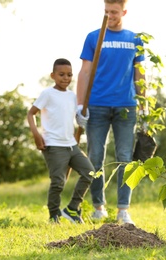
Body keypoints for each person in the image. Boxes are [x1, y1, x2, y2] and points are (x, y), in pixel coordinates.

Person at [76, 0, 145, 224]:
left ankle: (123, 209)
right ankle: (99, 207)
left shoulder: (135, 39)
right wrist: (79, 106)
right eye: (106, 11)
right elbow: (84, 73)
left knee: (125, 158)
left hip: (126, 106)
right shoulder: (93, 37)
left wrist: (144, 106)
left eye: (114, 12)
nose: (109, 16)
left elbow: (140, 75)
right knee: (95, 157)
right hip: (96, 105)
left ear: (124, 11)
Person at [27, 58, 95, 224]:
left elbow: (76, 121)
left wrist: (81, 128)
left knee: (90, 173)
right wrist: (37, 135)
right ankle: (54, 216)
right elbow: (31, 114)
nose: (66, 78)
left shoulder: (73, 96)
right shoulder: (47, 94)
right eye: (62, 74)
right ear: (53, 75)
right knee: (58, 182)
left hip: (71, 145)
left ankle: (72, 208)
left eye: (69, 75)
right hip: (53, 145)